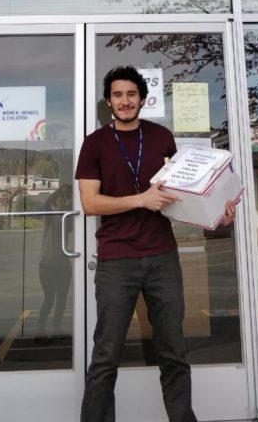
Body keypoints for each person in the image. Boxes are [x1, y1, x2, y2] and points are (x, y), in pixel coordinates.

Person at [75, 65, 236, 422]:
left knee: (173, 352)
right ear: (108, 101)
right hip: (117, 260)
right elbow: (90, 203)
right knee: (106, 355)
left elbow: (180, 195)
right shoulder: (95, 143)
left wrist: (217, 211)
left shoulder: (162, 137)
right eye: (118, 95)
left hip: (162, 258)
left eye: (131, 94)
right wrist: (140, 200)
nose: (125, 101)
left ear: (142, 99)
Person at [34, 184, 73, 342]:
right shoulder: (49, 216)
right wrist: (60, 190)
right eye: (60, 198)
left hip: (63, 264)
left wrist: (69, 196)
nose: (62, 200)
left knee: (62, 298)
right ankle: (40, 330)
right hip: (47, 263)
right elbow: (46, 203)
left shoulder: (68, 218)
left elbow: (70, 212)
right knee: (49, 297)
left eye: (65, 198)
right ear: (55, 200)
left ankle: (57, 328)